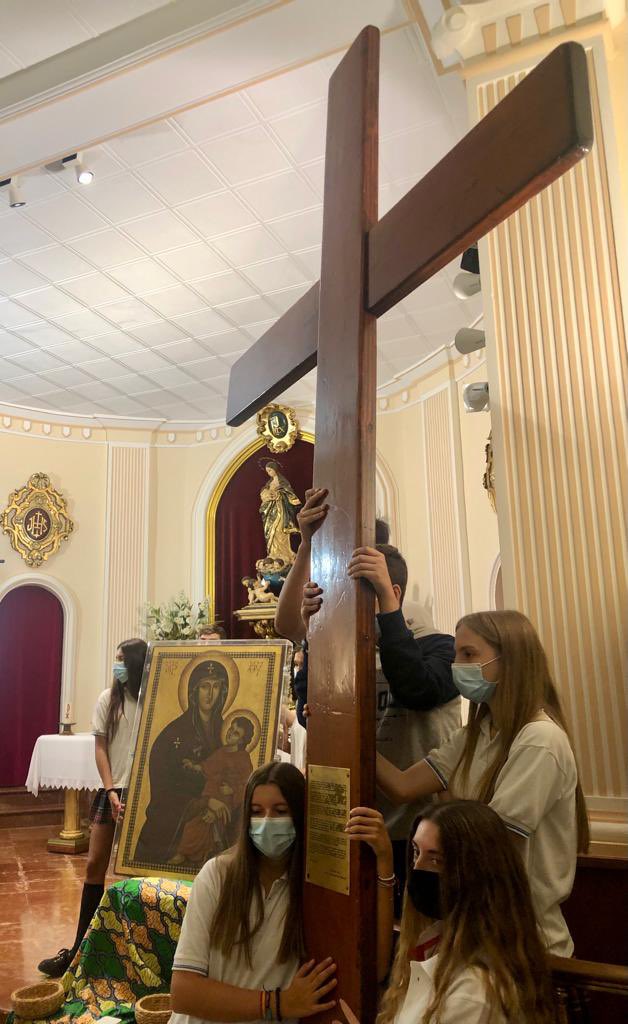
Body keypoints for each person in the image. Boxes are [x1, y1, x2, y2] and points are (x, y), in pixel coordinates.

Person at [376, 610, 589, 956]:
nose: (456, 666)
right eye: (457, 654)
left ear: (510, 660)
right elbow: (402, 786)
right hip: (473, 930)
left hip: (520, 941)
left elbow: (487, 846)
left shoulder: (539, 740)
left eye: (469, 654)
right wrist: (348, 731)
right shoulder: (478, 734)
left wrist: (444, 810)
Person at [342, 799, 557, 1024]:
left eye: (435, 860)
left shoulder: (472, 992)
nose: (417, 868)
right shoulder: (436, 941)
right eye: (416, 852)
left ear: (475, 873)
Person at [169, 761, 337, 1024]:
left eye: (280, 811)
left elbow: (378, 966)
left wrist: (384, 863)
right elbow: (184, 993)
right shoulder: (217, 875)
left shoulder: (312, 890)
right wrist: (277, 1003)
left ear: (301, 815)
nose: (267, 822)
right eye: (257, 812)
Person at [38, 637, 148, 978]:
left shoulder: (151, 698)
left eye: (122, 659)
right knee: (94, 866)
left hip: (145, 792)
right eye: (115, 658)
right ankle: (79, 951)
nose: (117, 665)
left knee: (140, 871)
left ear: (136, 663)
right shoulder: (108, 699)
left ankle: (139, 953)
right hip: (112, 790)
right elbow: (100, 747)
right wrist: (111, 789)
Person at [134, 659, 229, 864]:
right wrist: (203, 803)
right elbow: (163, 790)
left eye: (215, 687)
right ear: (194, 691)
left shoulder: (228, 733)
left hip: (217, 817)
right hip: (175, 823)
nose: (210, 694)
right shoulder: (172, 735)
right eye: (204, 686)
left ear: (223, 692)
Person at [170, 716, 255, 866]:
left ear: (242, 740)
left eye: (236, 733)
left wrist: (232, 790)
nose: (230, 733)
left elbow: (247, 785)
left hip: (226, 800)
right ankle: (188, 854)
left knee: (203, 824)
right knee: (193, 823)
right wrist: (194, 766)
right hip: (210, 793)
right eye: (231, 729)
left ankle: (192, 854)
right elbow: (207, 767)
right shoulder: (221, 751)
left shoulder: (243, 758)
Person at [259, 461, 301, 566]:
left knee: (280, 530)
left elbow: (289, 493)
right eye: (267, 471)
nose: (269, 473)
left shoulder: (283, 482)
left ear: (275, 470)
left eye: (270, 470)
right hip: (270, 511)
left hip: (281, 509)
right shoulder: (268, 483)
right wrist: (267, 495)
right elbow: (264, 495)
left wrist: (278, 494)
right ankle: (273, 554)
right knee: (271, 532)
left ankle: (285, 554)